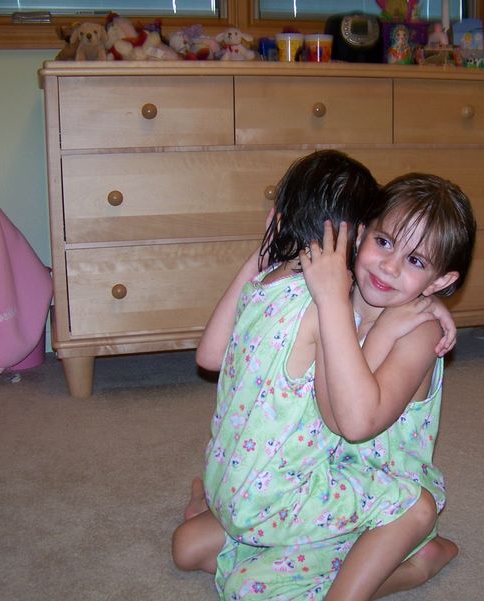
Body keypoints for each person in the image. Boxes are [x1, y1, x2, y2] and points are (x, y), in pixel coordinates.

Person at [171, 152, 466, 599]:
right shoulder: (340, 294)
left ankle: (407, 567)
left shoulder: (419, 332)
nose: (389, 267)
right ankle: (330, 554)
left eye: (416, 261)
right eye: (384, 242)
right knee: (187, 547)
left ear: (439, 280)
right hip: (316, 479)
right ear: (359, 234)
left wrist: (399, 320)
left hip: (383, 496)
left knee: (250, 588)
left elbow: (352, 417)